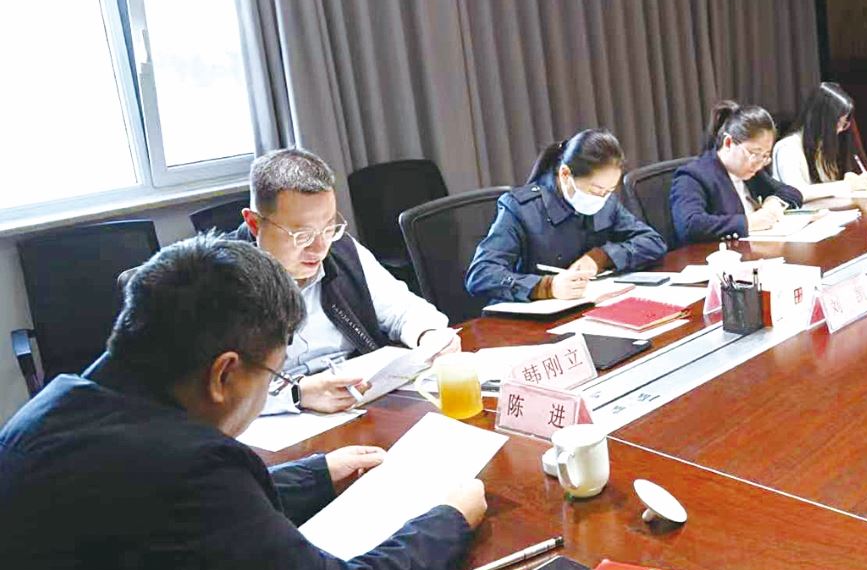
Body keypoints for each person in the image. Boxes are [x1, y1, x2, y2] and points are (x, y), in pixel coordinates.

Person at [0, 236, 486, 570]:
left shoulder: (55, 408)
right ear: (224, 374)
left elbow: (157, 512)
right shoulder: (187, 467)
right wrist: (449, 519)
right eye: (274, 374)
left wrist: (318, 474)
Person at [235, 148, 460, 414]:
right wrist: (297, 394)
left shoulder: (341, 249)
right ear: (254, 224)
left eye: (328, 227)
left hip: (356, 402)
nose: (319, 248)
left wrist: (430, 335)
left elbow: (402, 309)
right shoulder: (220, 279)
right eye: (302, 235)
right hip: (274, 420)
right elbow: (210, 392)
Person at [466, 128, 668, 304]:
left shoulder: (606, 202)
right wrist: (546, 286)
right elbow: (481, 274)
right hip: (534, 320)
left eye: (609, 190)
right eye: (596, 190)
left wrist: (601, 257)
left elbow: (653, 242)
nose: (602, 198)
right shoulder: (521, 208)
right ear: (565, 174)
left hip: (590, 308)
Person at [670, 101, 804, 243]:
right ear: (728, 143)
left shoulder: (751, 172)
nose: (759, 163)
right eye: (754, 153)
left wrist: (774, 203)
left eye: (765, 155)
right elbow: (689, 225)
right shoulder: (693, 176)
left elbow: (792, 192)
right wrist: (749, 222)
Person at [771, 82, 867, 200]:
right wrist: (846, 185)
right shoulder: (788, 148)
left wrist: (848, 179)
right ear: (821, 120)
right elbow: (797, 192)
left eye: (844, 124)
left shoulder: (821, 145)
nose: (840, 130)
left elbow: (824, 186)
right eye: (838, 123)